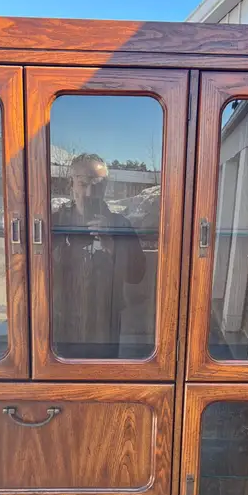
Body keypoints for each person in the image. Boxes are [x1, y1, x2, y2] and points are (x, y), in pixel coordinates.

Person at [51, 153, 146, 358]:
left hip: (105, 325)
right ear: (71, 183)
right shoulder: (54, 222)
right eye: (83, 183)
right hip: (61, 324)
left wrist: (111, 244)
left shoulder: (120, 224)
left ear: (105, 188)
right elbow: (30, 268)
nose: (89, 192)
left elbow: (137, 274)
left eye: (98, 185)